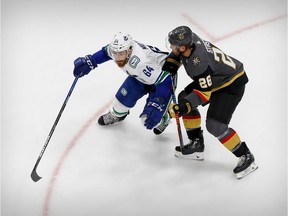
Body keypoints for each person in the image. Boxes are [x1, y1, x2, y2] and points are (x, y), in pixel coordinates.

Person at [166, 26, 258, 179]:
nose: (171, 48)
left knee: (214, 125)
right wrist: (172, 62)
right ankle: (197, 143)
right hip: (215, 78)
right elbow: (179, 55)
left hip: (231, 84)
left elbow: (204, 94)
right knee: (184, 99)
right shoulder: (190, 40)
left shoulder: (199, 63)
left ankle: (246, 155)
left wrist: (185, 107)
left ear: (183, 47)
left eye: (174, 46)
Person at [73, 32, 179, 135]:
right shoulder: (117, 49)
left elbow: (164, 81)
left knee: (148, 120)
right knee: (120, 104)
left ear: (129, 50)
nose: (118, 58)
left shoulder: (142, 62)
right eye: (115, 54)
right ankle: (118, 116)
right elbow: (106, 52)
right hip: (139, 77)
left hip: (162, 80)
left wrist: (158, 101)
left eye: (121, 54)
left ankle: (166, 117)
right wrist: (91, 61)